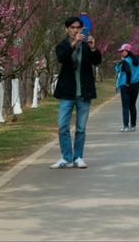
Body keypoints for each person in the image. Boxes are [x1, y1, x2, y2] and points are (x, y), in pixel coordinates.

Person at [51, 16, 102, 169]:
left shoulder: (87, 45)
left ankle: (78, 157)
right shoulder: (62, 45)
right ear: (67, 29)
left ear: (82, 29)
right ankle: (66, 158)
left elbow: (97, 61)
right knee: (62, 126)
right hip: (67, 93)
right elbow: (62, 58)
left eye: (78, 28)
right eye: (72, 28)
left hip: (84, 93)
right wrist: (73, 44)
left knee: (80, 128)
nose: (75, 30)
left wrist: (93, 48)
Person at [115, 43, 139, 132]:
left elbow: (128, 72)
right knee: (132, 106)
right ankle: (133, 125)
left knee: (125, 107)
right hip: (135, 86)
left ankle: (126, 126)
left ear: (127, 51)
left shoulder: (125, 61)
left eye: (122, 51)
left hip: (126, 85)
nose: (121, 53)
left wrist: (127, 83)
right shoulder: (138, 62)